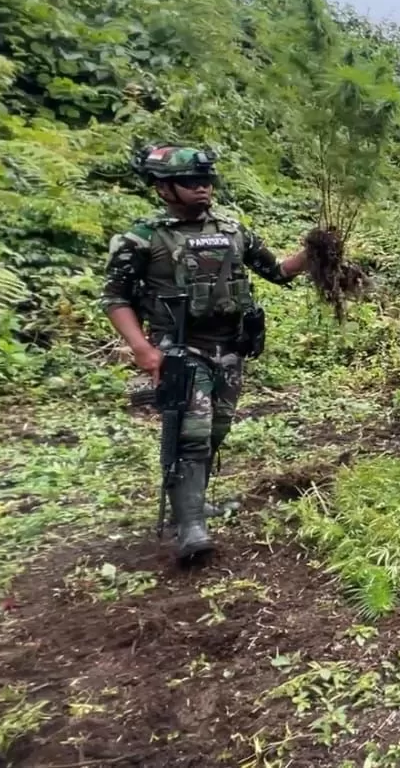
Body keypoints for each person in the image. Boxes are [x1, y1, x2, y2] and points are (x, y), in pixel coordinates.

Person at [100, 143, 309, 563]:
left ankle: (193, 504)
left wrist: (315, 250)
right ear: (163, 188)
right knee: (189, 438)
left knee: (215, 430)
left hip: (230, 347)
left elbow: (278, 271)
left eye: (206, 182)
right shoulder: (143, 238)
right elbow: (115, 297)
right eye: (191, 183)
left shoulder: (232, 230)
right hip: (180, 350)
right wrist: (141, 349)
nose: (202, 189)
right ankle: (190, 526)